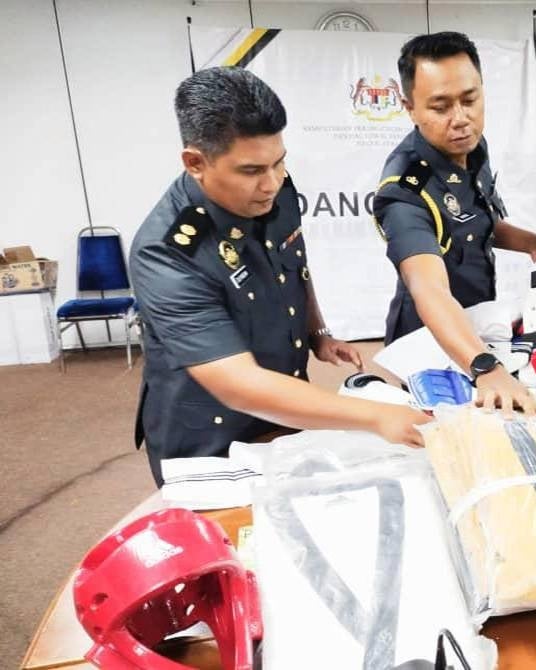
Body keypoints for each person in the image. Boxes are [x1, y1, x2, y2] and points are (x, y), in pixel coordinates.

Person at [130, 66, 429, 485]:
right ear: (196, 162)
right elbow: (238, 384)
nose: (271, 183)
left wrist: (317, 332)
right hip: (210, 440)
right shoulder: (168, 253)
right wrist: (377, 415)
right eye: (251, 170)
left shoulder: (278, 190)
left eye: (279, 162)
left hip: (286, 410)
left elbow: (293, 265)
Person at [373, 32, 536, 415]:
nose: (460, 119)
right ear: (409, 108)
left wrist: (530, 242)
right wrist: (484, 367)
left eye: (470, 100)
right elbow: (429, 288)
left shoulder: (473, 148)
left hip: (480, 324)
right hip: (429, 342)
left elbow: (476, 222)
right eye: (440, 107)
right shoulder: (405, 191)